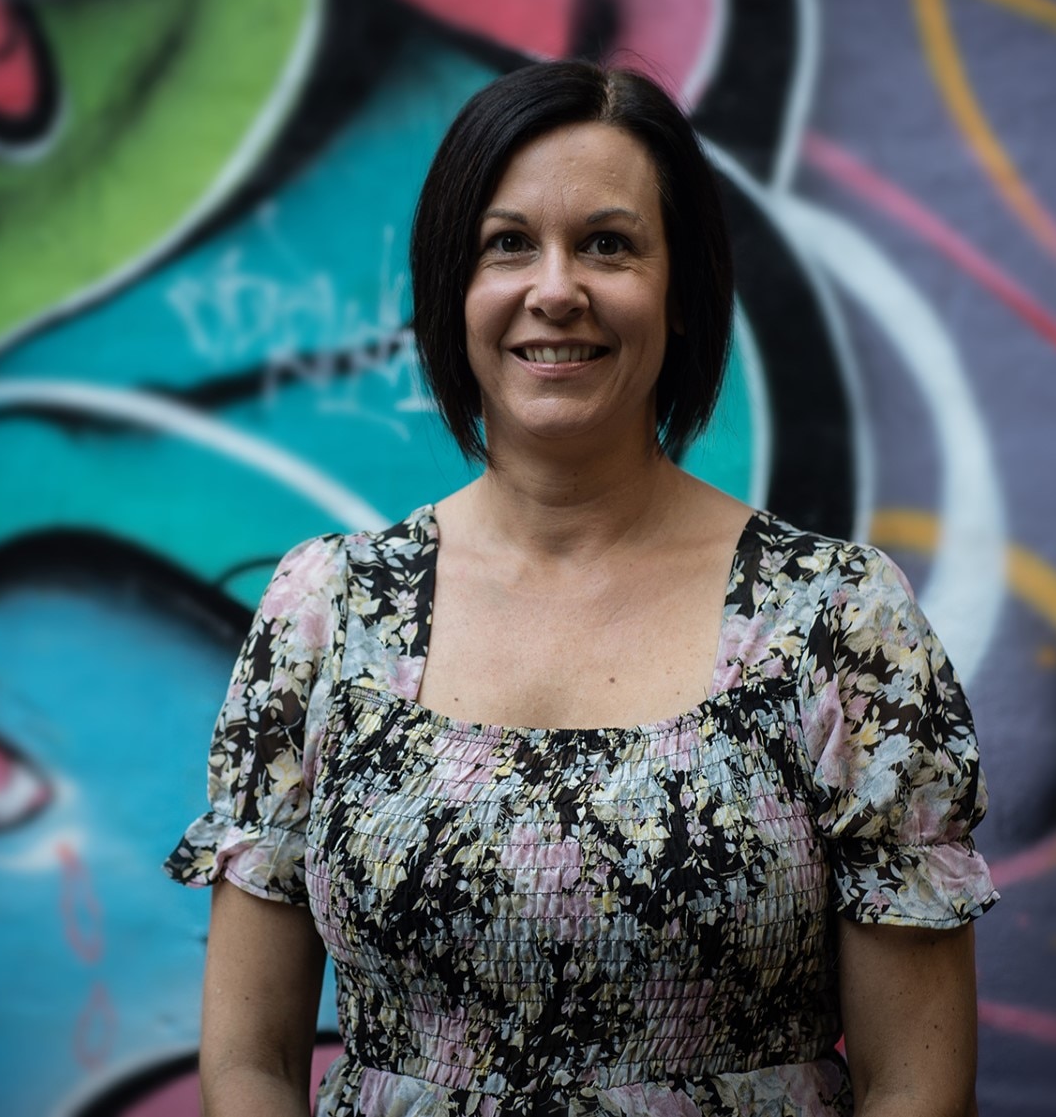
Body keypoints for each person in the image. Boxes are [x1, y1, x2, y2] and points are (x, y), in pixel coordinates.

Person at [165, 60, 997, 1116]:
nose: (555, 289)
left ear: (682, 294)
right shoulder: (326, 612)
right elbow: (250, 1061)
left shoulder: (839, 621)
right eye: (508, 244)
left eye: (608, 244)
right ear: (452, 293)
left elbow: (915, 1082)